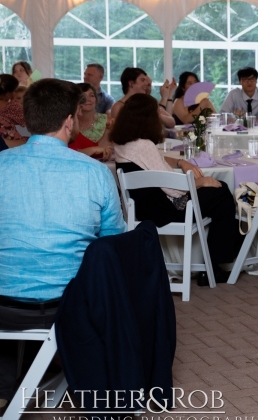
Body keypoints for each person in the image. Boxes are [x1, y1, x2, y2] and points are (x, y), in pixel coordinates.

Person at [0, 78, 126, 325]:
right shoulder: (96, 172)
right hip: (72, 302)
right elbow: (112, 244)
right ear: (69, 121)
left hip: (3, 302)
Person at [111, 94, 243, 285]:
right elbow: (174, 189)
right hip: (165, 210)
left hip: (142, 208)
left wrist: (181, 162)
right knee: (221, 191)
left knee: (218, 193)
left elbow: (158, 161)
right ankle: (216, 265)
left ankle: (216, 262)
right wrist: (200, 182)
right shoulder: (144, 145)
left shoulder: (122, 143)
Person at [110, 67, 175, 129]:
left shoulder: (148, 103)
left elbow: (172, 122)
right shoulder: (118, 106)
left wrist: (158, 115)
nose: (146, 83)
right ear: (131, 83)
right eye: (142, 80)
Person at [68, 82, 113, 160]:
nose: (88, 99)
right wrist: (93, 149)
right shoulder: (68, 123)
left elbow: (110, 153)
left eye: (91, 95)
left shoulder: (109, 122)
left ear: (96, 99)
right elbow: (67, 153)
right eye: (83, 96)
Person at [0, 74, 26, 146]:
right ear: (8, 94)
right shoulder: (14, 107)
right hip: (11, 144)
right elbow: (27, 123)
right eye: (14, 91)